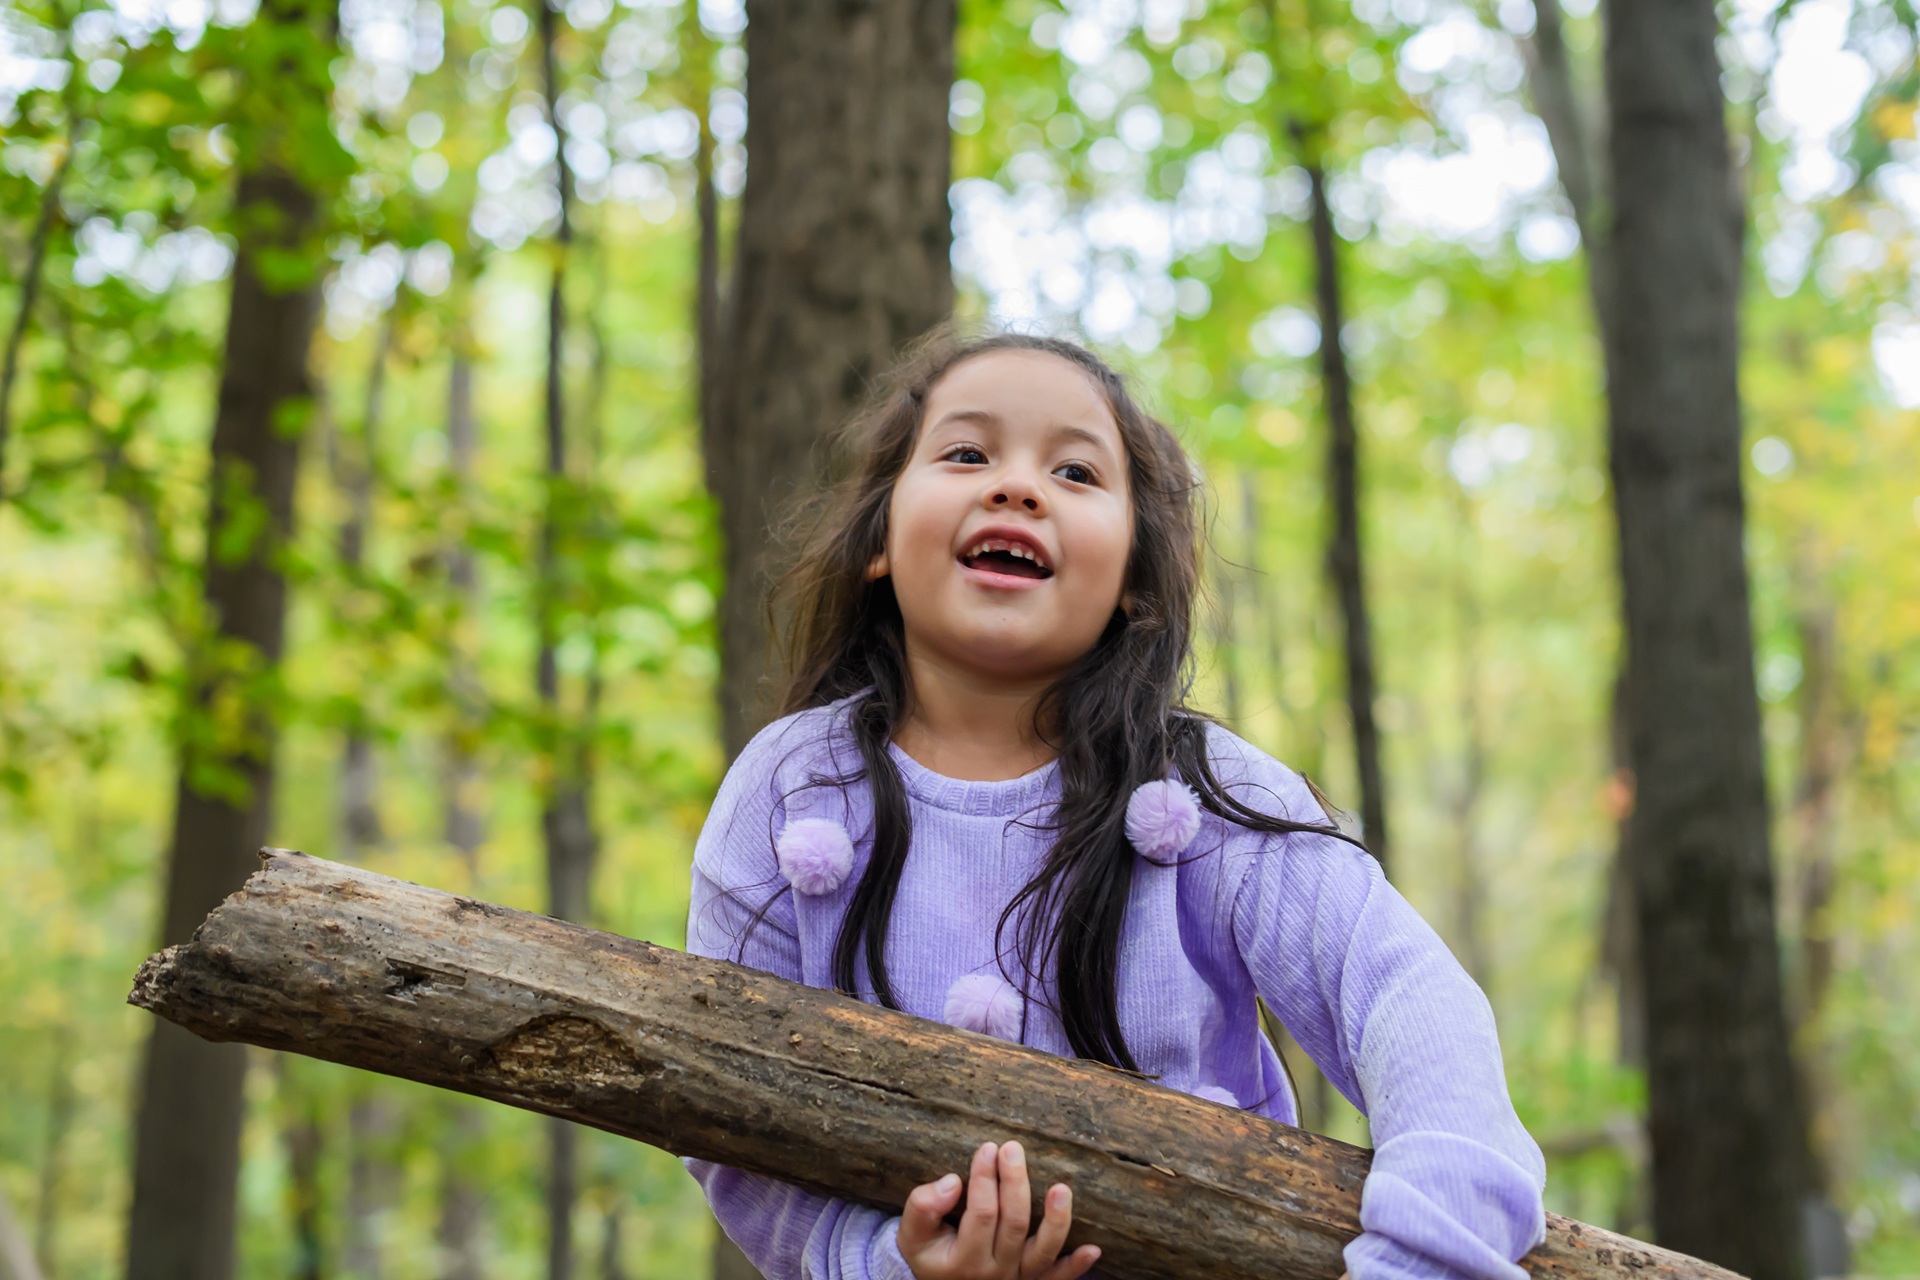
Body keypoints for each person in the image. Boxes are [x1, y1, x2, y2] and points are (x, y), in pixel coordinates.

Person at [684, 331, 1545, 1280]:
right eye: (967, 453)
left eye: (1076, 471)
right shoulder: (790, 787)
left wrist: (1426, 1260)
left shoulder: (1204, 793)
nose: (1016, 487)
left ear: (1134, 577)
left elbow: (1406, 997)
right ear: (879, 542)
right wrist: (883, 1264)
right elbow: (726, 1105)